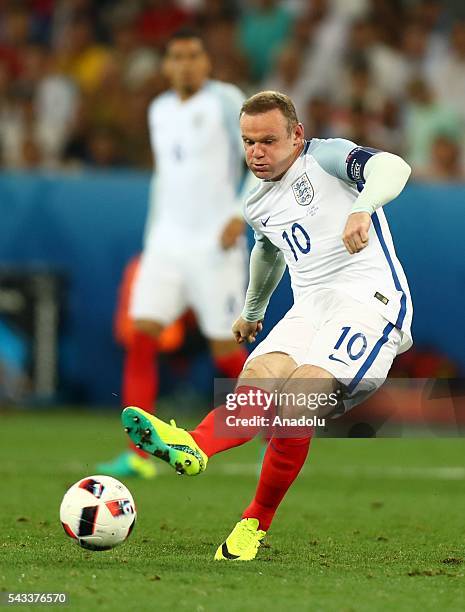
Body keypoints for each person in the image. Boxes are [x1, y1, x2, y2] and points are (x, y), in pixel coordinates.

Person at [121, 90, 413, 560]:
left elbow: (394, 167)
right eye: (249, 142)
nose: (257, 152)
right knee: (253, 387)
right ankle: (192, 444)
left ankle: (254, 522)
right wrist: (253, 310)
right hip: (308, 309)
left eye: (269, 141)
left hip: (369, 301)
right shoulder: (256, 203)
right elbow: (269, 251)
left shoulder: (326, 157)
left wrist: (364, 205)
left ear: (296, 135)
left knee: (298, 399)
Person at [97, 29, 254, 478]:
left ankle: (260, 424)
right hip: (165, 244)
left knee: (226, 348)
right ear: (166, 66)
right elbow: (165, 177)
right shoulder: (159, 109)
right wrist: (153, 238)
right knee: (141, 335)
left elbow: (259, 158)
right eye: (177, 57)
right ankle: (139, 456)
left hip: (214, 245)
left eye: (193, 55)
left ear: (207, 62)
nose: (185, 64)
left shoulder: (226, 101)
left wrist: (240, 213)